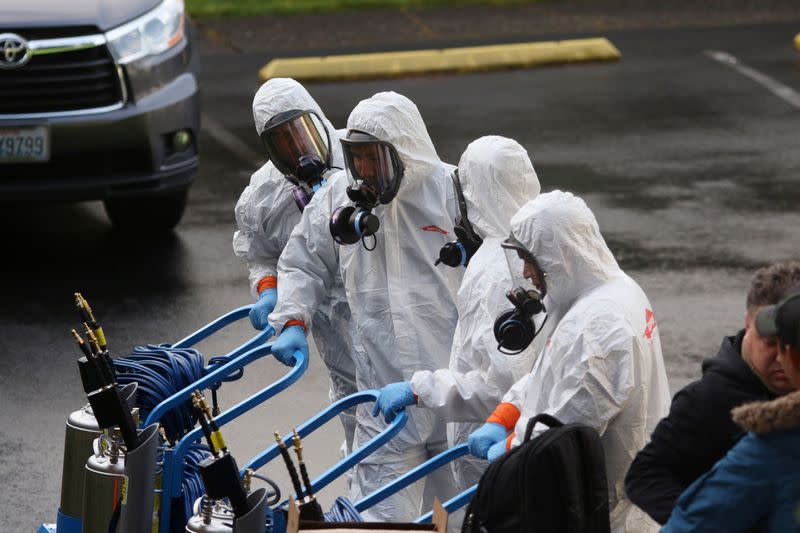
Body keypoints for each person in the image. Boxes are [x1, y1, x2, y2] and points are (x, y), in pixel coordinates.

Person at [268, 92, 465, 521]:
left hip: (453, 398)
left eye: (376, 159)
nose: (367, 172)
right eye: (358, 159)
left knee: (465, 518)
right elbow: (303, 260)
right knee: (376, 523)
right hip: (384, 398)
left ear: (405, 151)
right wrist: (292, 318)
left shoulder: (451, 192)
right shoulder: (338, 199)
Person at [467, 190, 671, 533]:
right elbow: (548, 373)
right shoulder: (598, 293)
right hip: (592, 499)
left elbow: (564, 433)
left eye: (530, 259)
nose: (526, 272)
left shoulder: (602, 327)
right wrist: (506, 414)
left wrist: (510, 452)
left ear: (560, 254)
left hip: (609, 514)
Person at [370, 135, 543, 492]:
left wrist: (420, 389)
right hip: (533, 444)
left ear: (473, 196)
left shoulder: (495, 269)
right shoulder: (540, 248)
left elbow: (499, 384)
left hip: (491, 451)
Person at [232, 78, 357, 451]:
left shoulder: (363, 159)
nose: (297, 150)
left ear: (317, 119)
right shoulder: (265, 197)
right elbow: (261, 254)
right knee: (364, 442)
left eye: (300, 133)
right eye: (281, 142)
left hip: (391, 323)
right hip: (334, 337)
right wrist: (270, 292)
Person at [625, 261, 800, 524]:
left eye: (792, 346)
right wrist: (707, 519)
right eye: (771, 344)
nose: (781, 358)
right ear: (747, 322)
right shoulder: (707, 399)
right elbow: (643, 475)